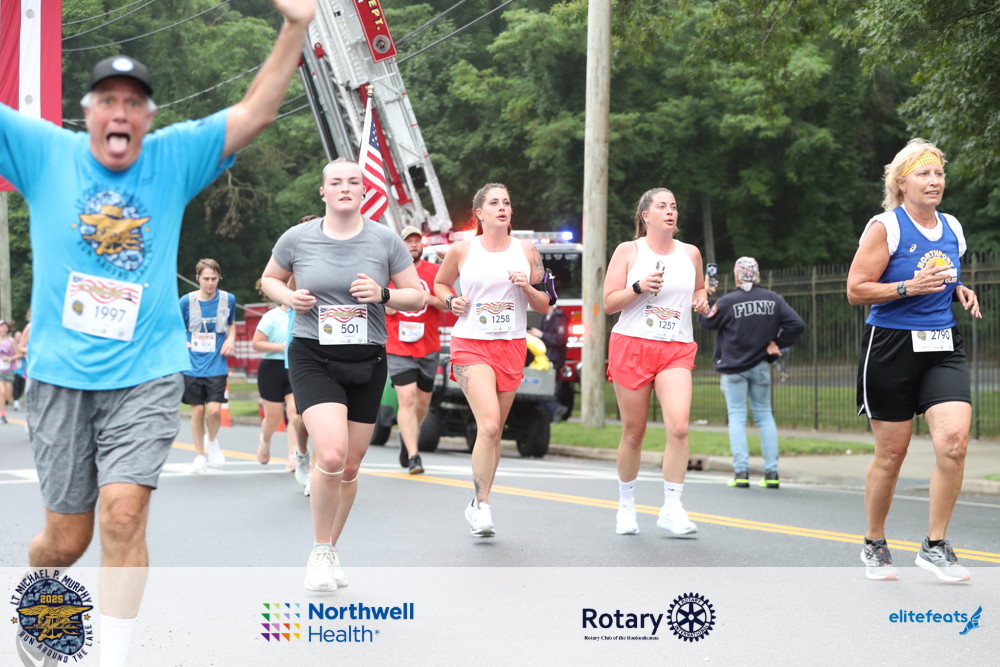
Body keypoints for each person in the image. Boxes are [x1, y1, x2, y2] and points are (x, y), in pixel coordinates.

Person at [0, 1, 317, 663]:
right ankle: (40, 594)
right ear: (87, 111)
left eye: (133, 103)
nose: (120, 112)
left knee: (124, 512)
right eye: (108, 101)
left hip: (145, 371)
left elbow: (255, 113)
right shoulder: (43, 150)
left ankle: (112, 656)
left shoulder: (172, 157)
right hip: (60, 374)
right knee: (66, 540)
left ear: (147, 117)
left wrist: (296, 26)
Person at [261, 158, 424, 591]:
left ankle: (331, 548)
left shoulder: (385, 239)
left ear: (364, 190)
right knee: (331, 454)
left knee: (350, 465)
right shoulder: (298, 238)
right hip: (313, 354)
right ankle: (318, 551)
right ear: (324, 191)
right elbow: (269, 280)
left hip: (368, 358)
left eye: (353, 181)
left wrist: (383, 294)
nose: (345, 188)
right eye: (336, 182)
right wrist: (288, 298)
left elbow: (417, 297)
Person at [847, 138, 980, 583]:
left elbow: (944, 273)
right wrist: (908, 288)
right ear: (901, 183)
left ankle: (935, 545)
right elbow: (856, 289)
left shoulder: (953, 227)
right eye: (924, 173)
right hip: (891, 347)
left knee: (954, 442)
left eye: (939, 173)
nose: (934, 180)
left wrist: (958, 289)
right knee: (891, 453)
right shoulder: (886, 227)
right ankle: (874, 542)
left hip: (942, 345)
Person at [434, 183, 550, 537]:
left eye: (507, 203)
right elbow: (440, 285)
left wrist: (526, 287)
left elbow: (546, 303)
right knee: (487, 425)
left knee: (495, 430)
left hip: (511, 345)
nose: (502, 207)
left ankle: (477, 502)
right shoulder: (462, 250)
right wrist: (451, 301)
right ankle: (482, 506)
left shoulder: (526, 251)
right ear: (479, 213)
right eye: (494, 203)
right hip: (471, 344)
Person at [603, 187, 710, 536]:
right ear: (646, 215)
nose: (670, 212)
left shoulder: (690, 253)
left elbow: (698, 289)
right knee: (634, 433)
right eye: (662, 206)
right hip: (632, 345)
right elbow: (609, 303)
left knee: (679, 427)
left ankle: (672, 507)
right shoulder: (629, 251)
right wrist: (638, 286)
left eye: (674, 206)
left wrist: (701, 300)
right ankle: (626, 506)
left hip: (675, 347)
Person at [699, 257, 805, 489]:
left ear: (736, 276)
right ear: (757, 274)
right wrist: (778, 343)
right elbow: (797, 324)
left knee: (737, 417)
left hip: (733, 368)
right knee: (765, 416)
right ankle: (771, 473)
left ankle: (741, 472)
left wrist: (705, 293)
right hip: (761, 365)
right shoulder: (773, 299)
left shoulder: (728, 302)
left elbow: (706, 322)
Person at [386, 225, 448, 474]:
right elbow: (375, 300)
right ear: (400, 245)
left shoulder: (434, 272)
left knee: (422, 403)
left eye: (417, 241)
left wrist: (429, 298)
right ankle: (414, 455)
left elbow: (450, 304)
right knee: (407, 398)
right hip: (397, 346)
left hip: (428, 346)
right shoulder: (388, 272)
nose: (413, 245)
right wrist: (385, 303)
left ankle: (407, 435)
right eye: (408, 241)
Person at [180, 259, 236, 473]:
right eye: (206, 278)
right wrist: (182, 341)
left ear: (219, 277)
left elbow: (231, 324)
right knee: (197, 411)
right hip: (192, 364)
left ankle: (211, 440)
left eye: (214, 278)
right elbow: (175, 327)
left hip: (216, 363)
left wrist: (231, 340)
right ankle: (199, 455)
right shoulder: (186, 301)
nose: (210, 283)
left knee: (213, 410)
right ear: (198, 278)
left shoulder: (228, 299)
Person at [251, 281, 309, 487]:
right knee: (273, 417)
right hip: (272, 368)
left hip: (293, 367)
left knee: (294, 412)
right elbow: (256, 343)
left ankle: (293, 456)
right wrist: (280, 347)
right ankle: (265, 440)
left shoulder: (302, 314)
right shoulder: (271, 317)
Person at [0, 320, 20, 424]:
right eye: (2, 327)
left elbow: (18, 354)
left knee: (7, 395)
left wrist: (9, 359)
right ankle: (2, 414)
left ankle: (4, 404)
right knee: (1, 392)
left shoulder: (11, 341)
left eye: (5, 327)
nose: (3, 329)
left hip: (9, 370)